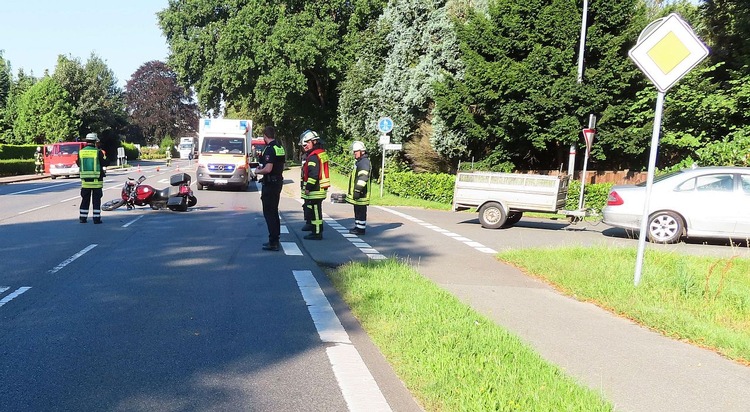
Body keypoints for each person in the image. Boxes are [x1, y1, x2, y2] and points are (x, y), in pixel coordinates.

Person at [254, 126, 286, 251]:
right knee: (274, 211)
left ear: (265, 136)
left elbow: (268, 169)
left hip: (270, 184)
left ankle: (273, 242)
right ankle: (276, 238)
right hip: (278, 182)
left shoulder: (269, 149)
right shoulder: (280, 148)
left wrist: (258, 171)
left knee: (269, 213)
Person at [299, 130, 330, 240]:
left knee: (316, 212)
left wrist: (308, 188)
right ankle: (315, 229)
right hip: (319, 189)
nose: (305, 146)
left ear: (314, 142)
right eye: (303, 145)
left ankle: (317, 233)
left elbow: (313, 175)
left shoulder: (313, 156)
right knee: (315, 211)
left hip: (315, 190)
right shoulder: (320, 153)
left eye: (307, 144)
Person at [76, 133, 106, 224]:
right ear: (95, 142)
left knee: (85, 200)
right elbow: (104, 163)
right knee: (96, 200)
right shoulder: (98, 152)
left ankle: (82, 218)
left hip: (85, 181)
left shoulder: (81, 152)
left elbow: (78, 163)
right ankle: (96, 219)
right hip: (96, 181)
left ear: (86, 141)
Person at [346, 141, 371, 235]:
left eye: (356, 152)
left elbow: (363, 177)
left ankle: (360, 229)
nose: (354, 154)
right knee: (357, 210)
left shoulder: (364, 162)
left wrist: (357, 190)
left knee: (361, 211)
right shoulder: (360, 162)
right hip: (359, 192)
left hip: (362, 193)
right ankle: (358, 227)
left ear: (362, 151)